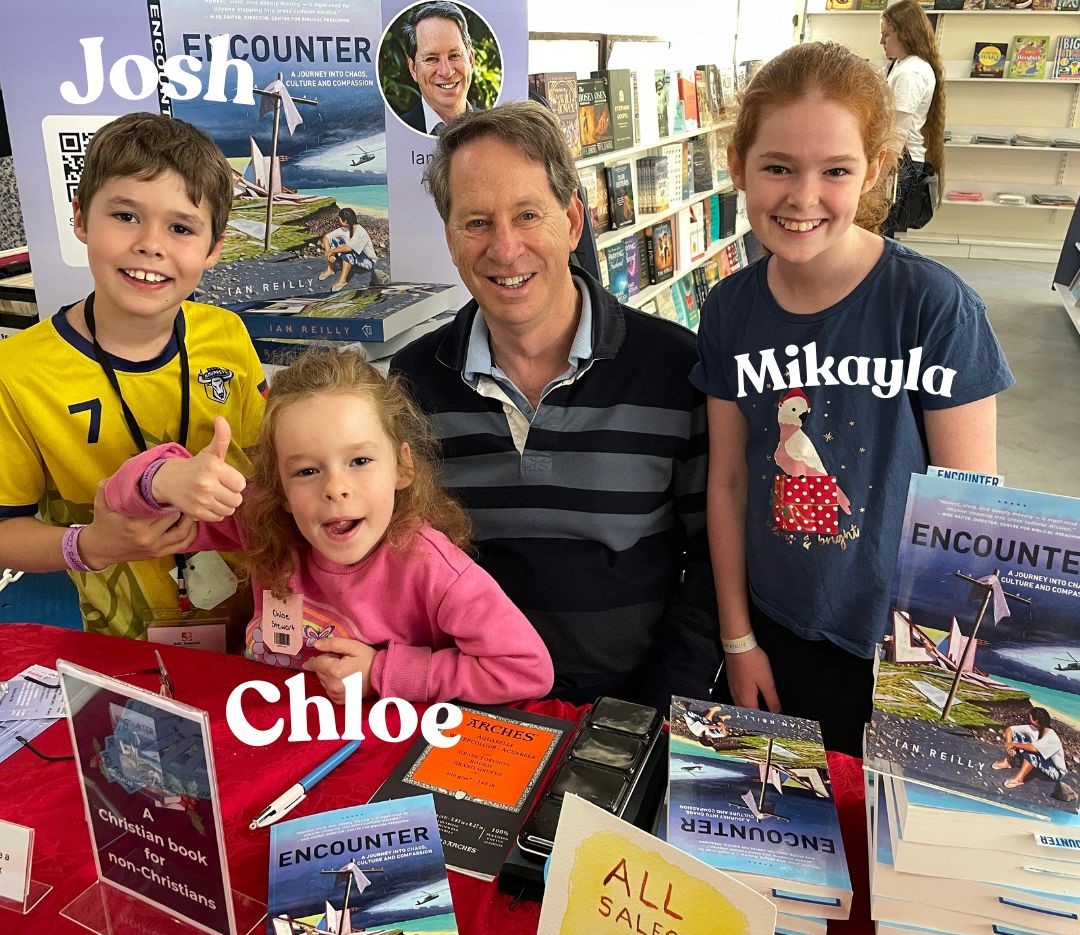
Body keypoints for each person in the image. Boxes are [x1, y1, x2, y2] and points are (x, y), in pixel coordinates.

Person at [691, 42, 1014, 756]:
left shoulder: (933, 308)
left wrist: (938, 679)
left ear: (873, 169)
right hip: (773, 630)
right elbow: (730, 478)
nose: (802, 197)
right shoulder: (728, 310)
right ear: (739, 163)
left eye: (834, 170)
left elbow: (970, 511)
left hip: (899, 649)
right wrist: (737, 637)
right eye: (777, 167)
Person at [390, 101, 719, 709]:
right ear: (450, 238)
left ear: (572, 221)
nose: (505, 248)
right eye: (477, 222)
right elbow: (402, 563)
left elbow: (710, 562)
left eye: (528, 215)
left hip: (634, 707)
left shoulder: (678, 369)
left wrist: (662, 707)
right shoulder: (411, 382)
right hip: (466, 709)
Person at [104, 346, 554, 705]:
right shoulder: (267, 519)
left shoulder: (432, 568)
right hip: (267, 732)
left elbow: (525, 668)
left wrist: (381, 673)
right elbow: (127, 511)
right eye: (306, 471)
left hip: (371, 761)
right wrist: (163, 479)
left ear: (402, 468)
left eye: (359, 461)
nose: (335, 489)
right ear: (277, 483)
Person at [0, 112, 266, 639]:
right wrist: (92, 545)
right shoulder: (19, 373)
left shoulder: (228, 335)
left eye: (182, 228)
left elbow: (269, 465)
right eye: (125, 216)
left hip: (256, 624)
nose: (151, 244)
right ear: (80, 218)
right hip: (122, 640)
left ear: (214, 247)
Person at [880, 0, 945, 238]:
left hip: (897, 165)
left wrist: (878, 177)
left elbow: (896, 134)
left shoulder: (911, 73)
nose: (882, 42)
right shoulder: (900, 65)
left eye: (886, 35)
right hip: (898, 164)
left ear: (906, 34)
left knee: (880, 234)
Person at [400, 2, 475, 135]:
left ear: (470, 60)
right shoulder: (396, 133)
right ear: (413, 69)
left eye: (454, 56)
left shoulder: (495, 131)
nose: (446, 72)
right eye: (431, 59)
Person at [994, 707, 1068, 789]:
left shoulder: (1051, 737)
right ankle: (1008, 762)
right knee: (1016, 736)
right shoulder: (1035, 728)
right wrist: (1009, 746)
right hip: (1044, 761)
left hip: (1054, 771)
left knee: (1031, 751)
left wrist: (1013, 744)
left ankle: (1019, 779)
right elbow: (1010, 729)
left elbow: (1034, 749)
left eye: (1030, 716)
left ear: (1035, 720)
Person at [318, 208, 377, 291]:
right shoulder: (345, 229)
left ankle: (342, 281)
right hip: (356, 256)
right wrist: (329, 253)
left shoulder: (360, 231)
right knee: (332, 241)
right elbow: (326, 238)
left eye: (339, 219)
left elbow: (348, 248)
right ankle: (330, 270)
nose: (338, 220)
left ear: (345, 221)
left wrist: (331, 251)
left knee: (346, 252)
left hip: (368, 262)